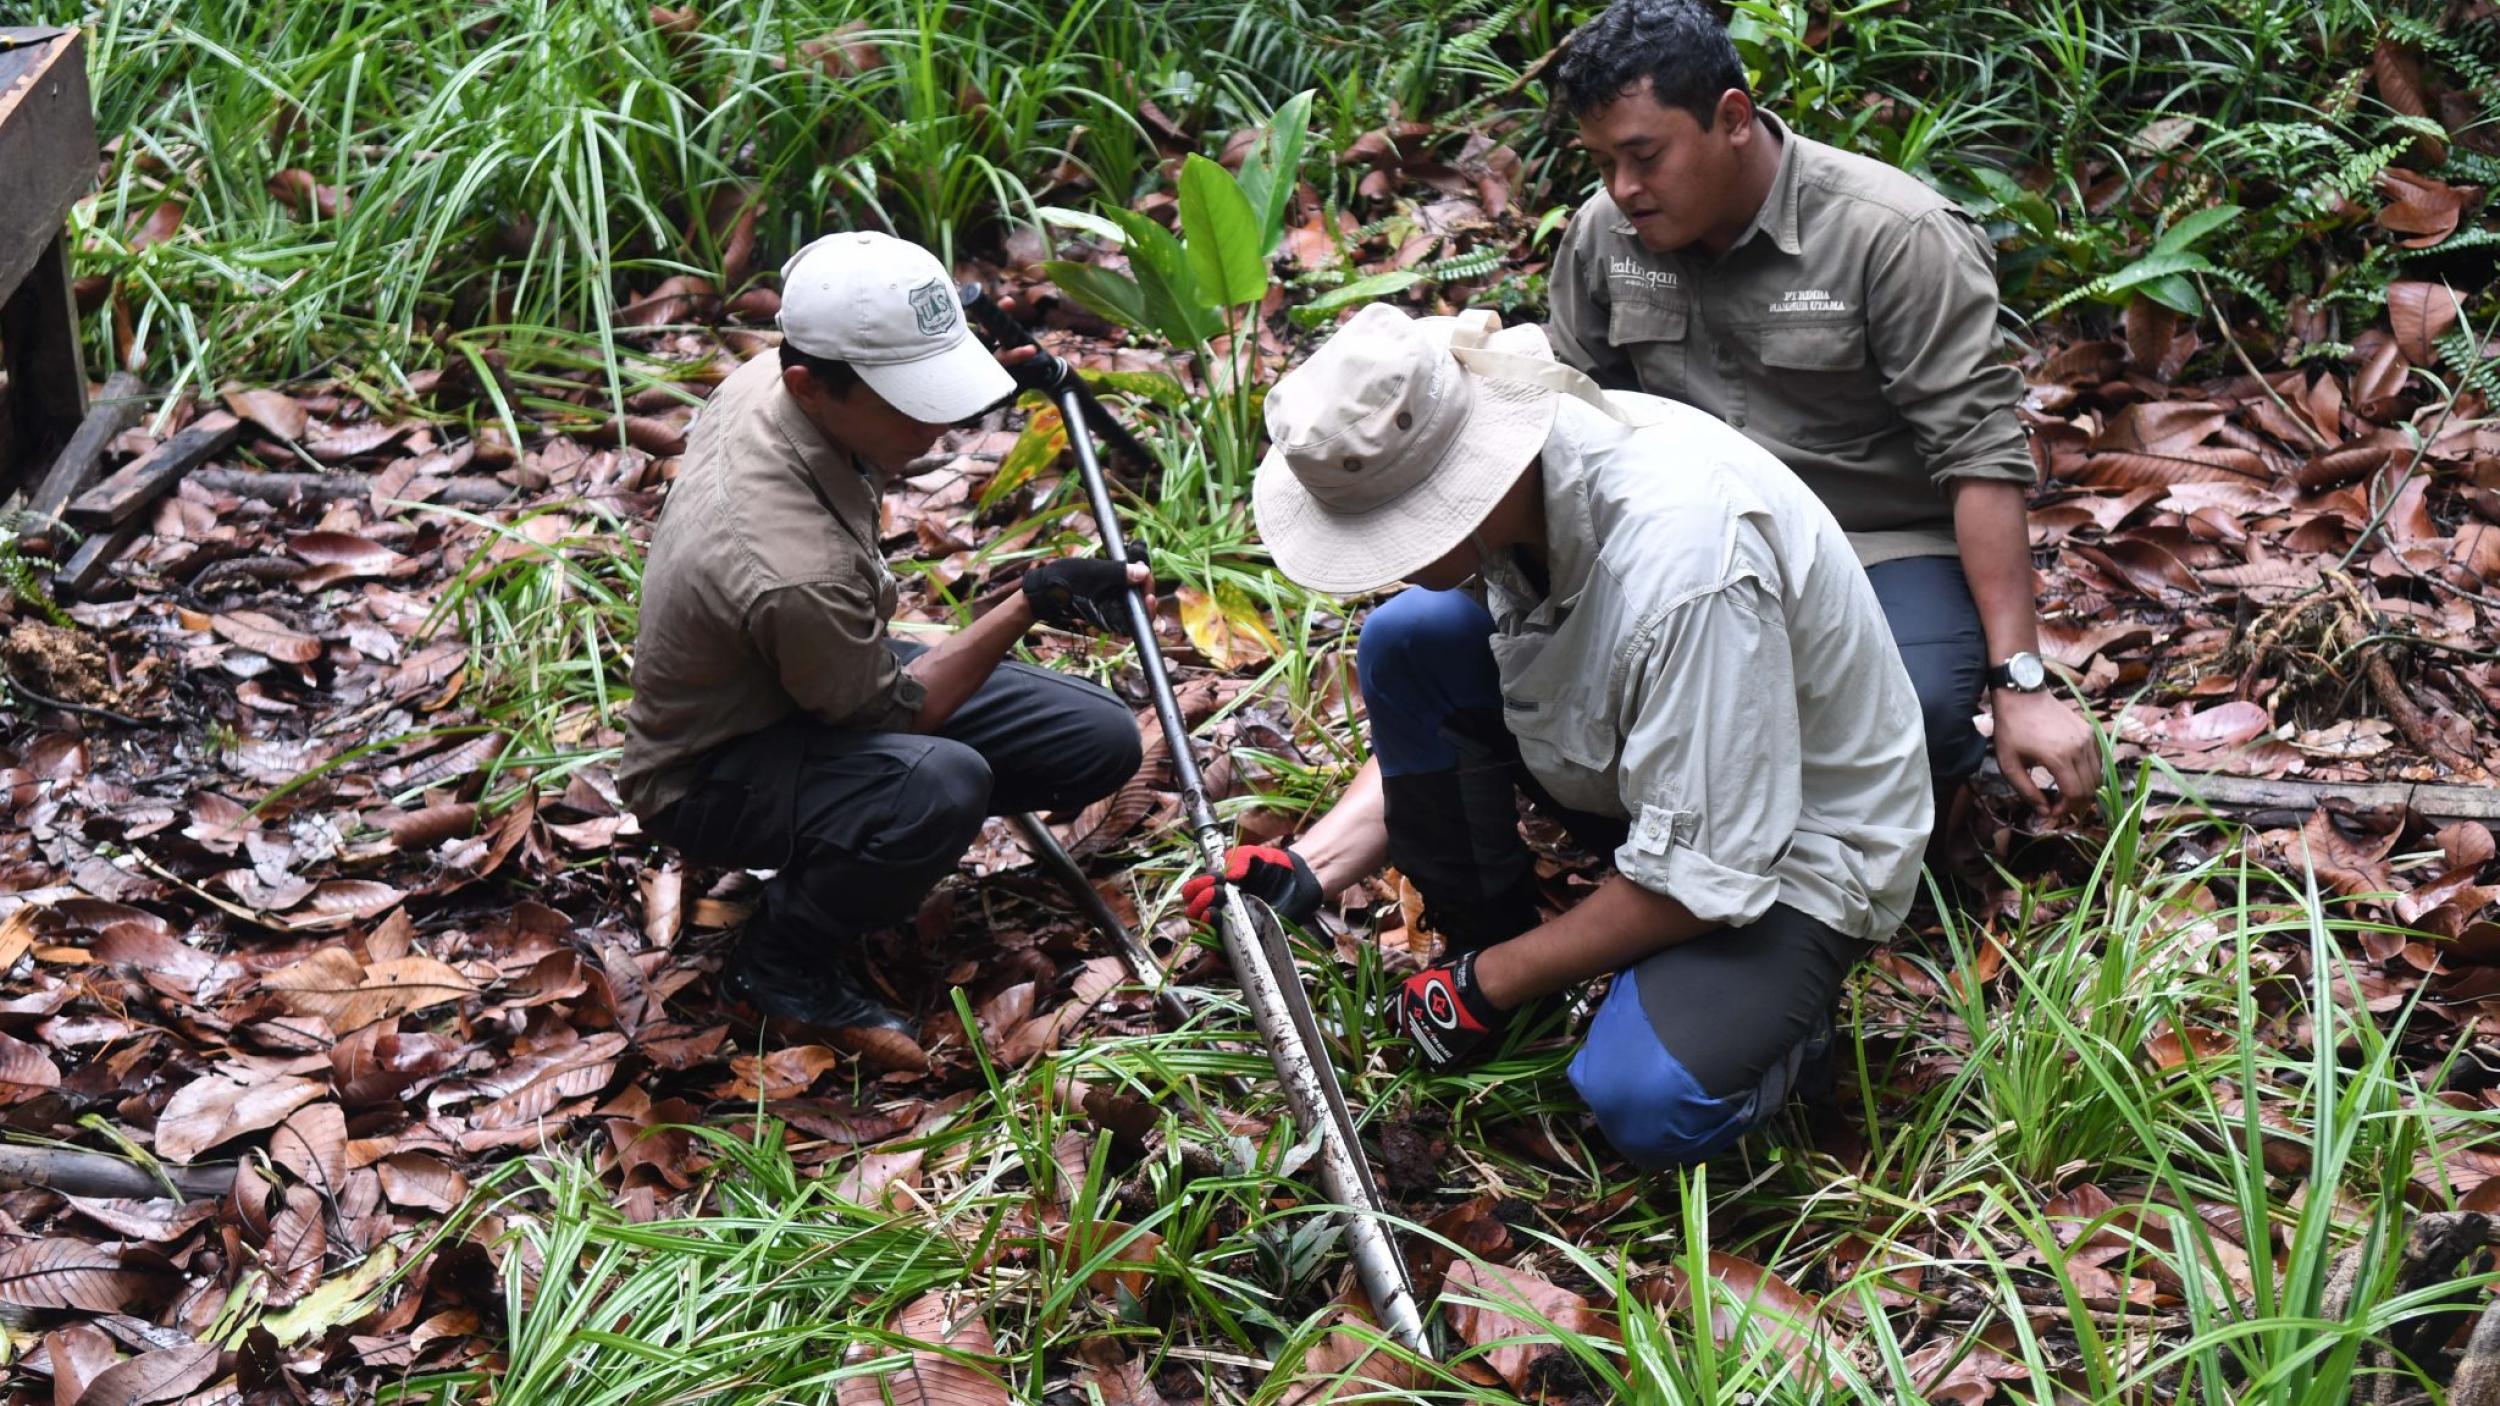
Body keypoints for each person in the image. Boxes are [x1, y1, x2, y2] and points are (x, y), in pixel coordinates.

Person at [1205, 302, 1931, 1167]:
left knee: (1647, 1102)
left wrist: (1487, 984)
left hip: (1795, 840)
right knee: (1410, 639)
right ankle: (1494, 937)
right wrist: (1312, 867)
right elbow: (1471, 684)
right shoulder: (1524, 497)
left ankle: (1784, 1039)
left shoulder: (1684, 568)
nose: (1385, 559)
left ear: (1454, 489)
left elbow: (1705, 874)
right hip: (1651, 765)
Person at [1543, 0, 2095, 819]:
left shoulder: (1894, 236)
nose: (1623, 190)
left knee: (1913, 715)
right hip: (1683, 544)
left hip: (1875, 547)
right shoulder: (1604, 236)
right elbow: (1567, 413)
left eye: (1644, 156)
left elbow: (1979, 455)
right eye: (1601, 164)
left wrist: (2022, 682)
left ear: (1732, 119)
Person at [620, 230, 1148, 1045]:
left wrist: (1002, 373)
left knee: (1099, 739)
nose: (937, 422)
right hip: (714, 765)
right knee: (936, 786)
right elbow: (887, 721)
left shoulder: (782, 375)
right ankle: (781, 958)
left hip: (801, 672)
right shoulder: (792, 564)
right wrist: (1028, 603)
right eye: (913, 399)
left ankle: (855, 839)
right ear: (811, 384)